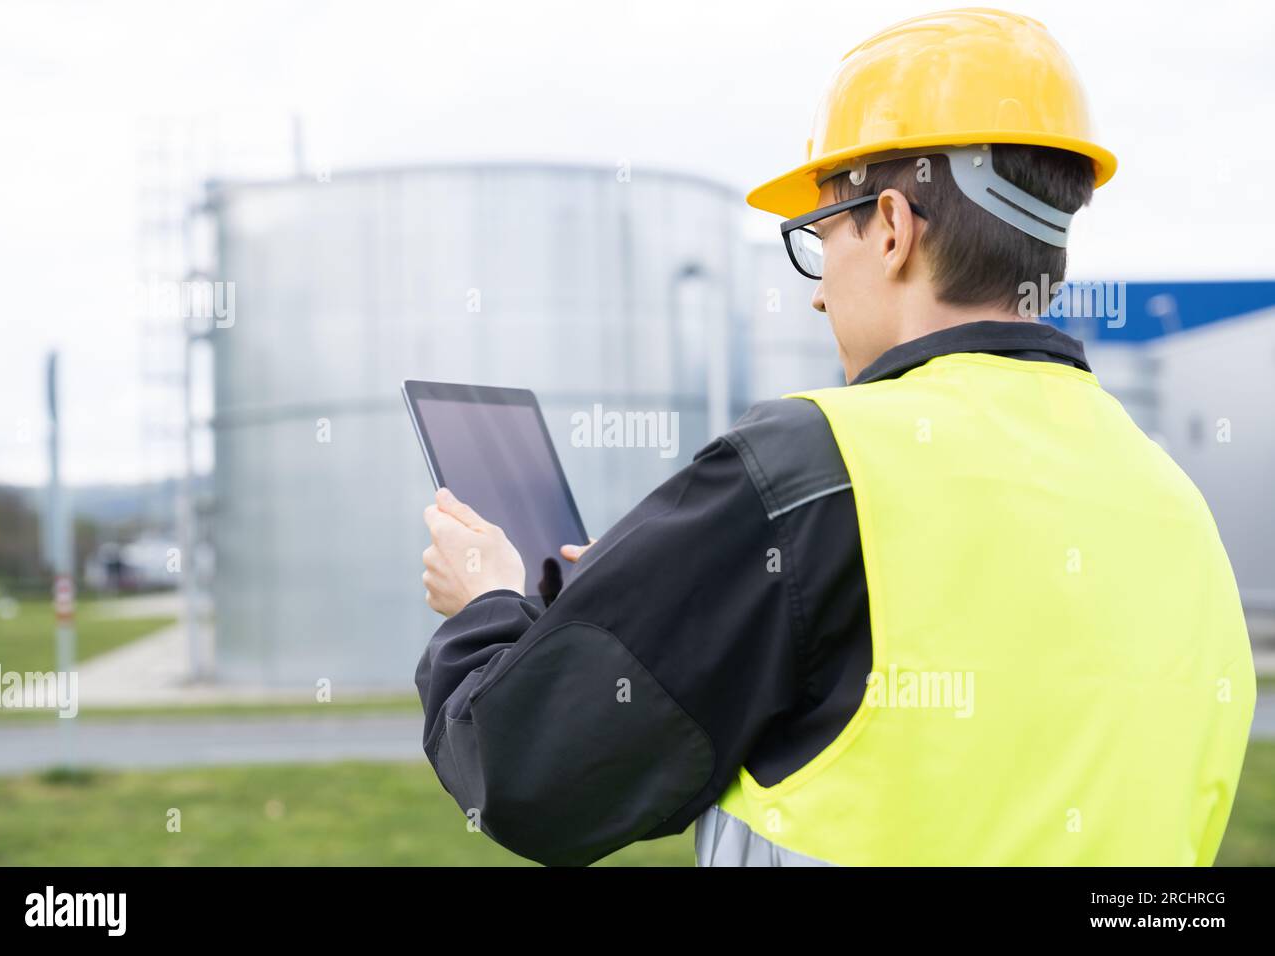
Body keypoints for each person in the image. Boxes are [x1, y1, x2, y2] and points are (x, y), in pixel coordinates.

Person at [415, 8, 1255, 866]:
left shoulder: (814, 466)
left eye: (818, 240)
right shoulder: (1172, 504)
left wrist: (487, 610)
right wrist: (661, 599)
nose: (817, 296)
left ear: (890, 227)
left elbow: (530, 775)